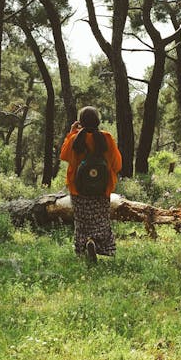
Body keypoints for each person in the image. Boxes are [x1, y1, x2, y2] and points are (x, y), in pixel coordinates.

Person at [60, 106, 122, 262]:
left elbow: (64, 156)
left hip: (78, 190)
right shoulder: (107, 138)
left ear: (80, 122)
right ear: (98, 121)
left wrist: (72, 132)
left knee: (82, 223)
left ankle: (85, 244)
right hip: (102, 190)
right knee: (101, 221)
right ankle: (96, 243)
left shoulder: (75, 139)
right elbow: (117, 165)